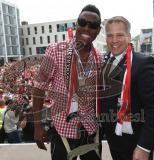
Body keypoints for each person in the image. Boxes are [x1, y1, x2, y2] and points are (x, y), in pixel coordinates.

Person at [33, 4, 102, 160]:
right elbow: (38, 88)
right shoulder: (56, 51)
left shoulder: (99, 57)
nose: (86, 28)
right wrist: (38, 126)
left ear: (98, 31)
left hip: (90, 130)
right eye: (82, 22)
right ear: (76, 24)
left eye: (93, 25)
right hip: (62, 131)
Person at [100, 16, 154, 160]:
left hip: (136, 145)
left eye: (120, 35)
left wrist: (144, 147)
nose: (114, 40)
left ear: (129, 37)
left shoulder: (143, 63)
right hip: (114, 142)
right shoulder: (106, 62)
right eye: (110, 35)